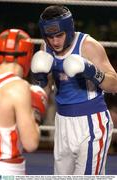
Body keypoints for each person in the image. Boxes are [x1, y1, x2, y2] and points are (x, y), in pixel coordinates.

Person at [31, 5, 117, 175]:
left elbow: (114, 84)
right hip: (62, 121)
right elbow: (46, 88)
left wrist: (92, 71)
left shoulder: (88, 46)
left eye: (59, 35)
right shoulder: (45, 48)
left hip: (91, 123)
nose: (55, 42)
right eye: (50, 37)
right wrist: (40, 81)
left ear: (69, 30)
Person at [0, 28, 47, 175]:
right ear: (28, 56)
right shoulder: (19, 88)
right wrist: (36, 114)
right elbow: (30, 143)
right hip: (7, 170)